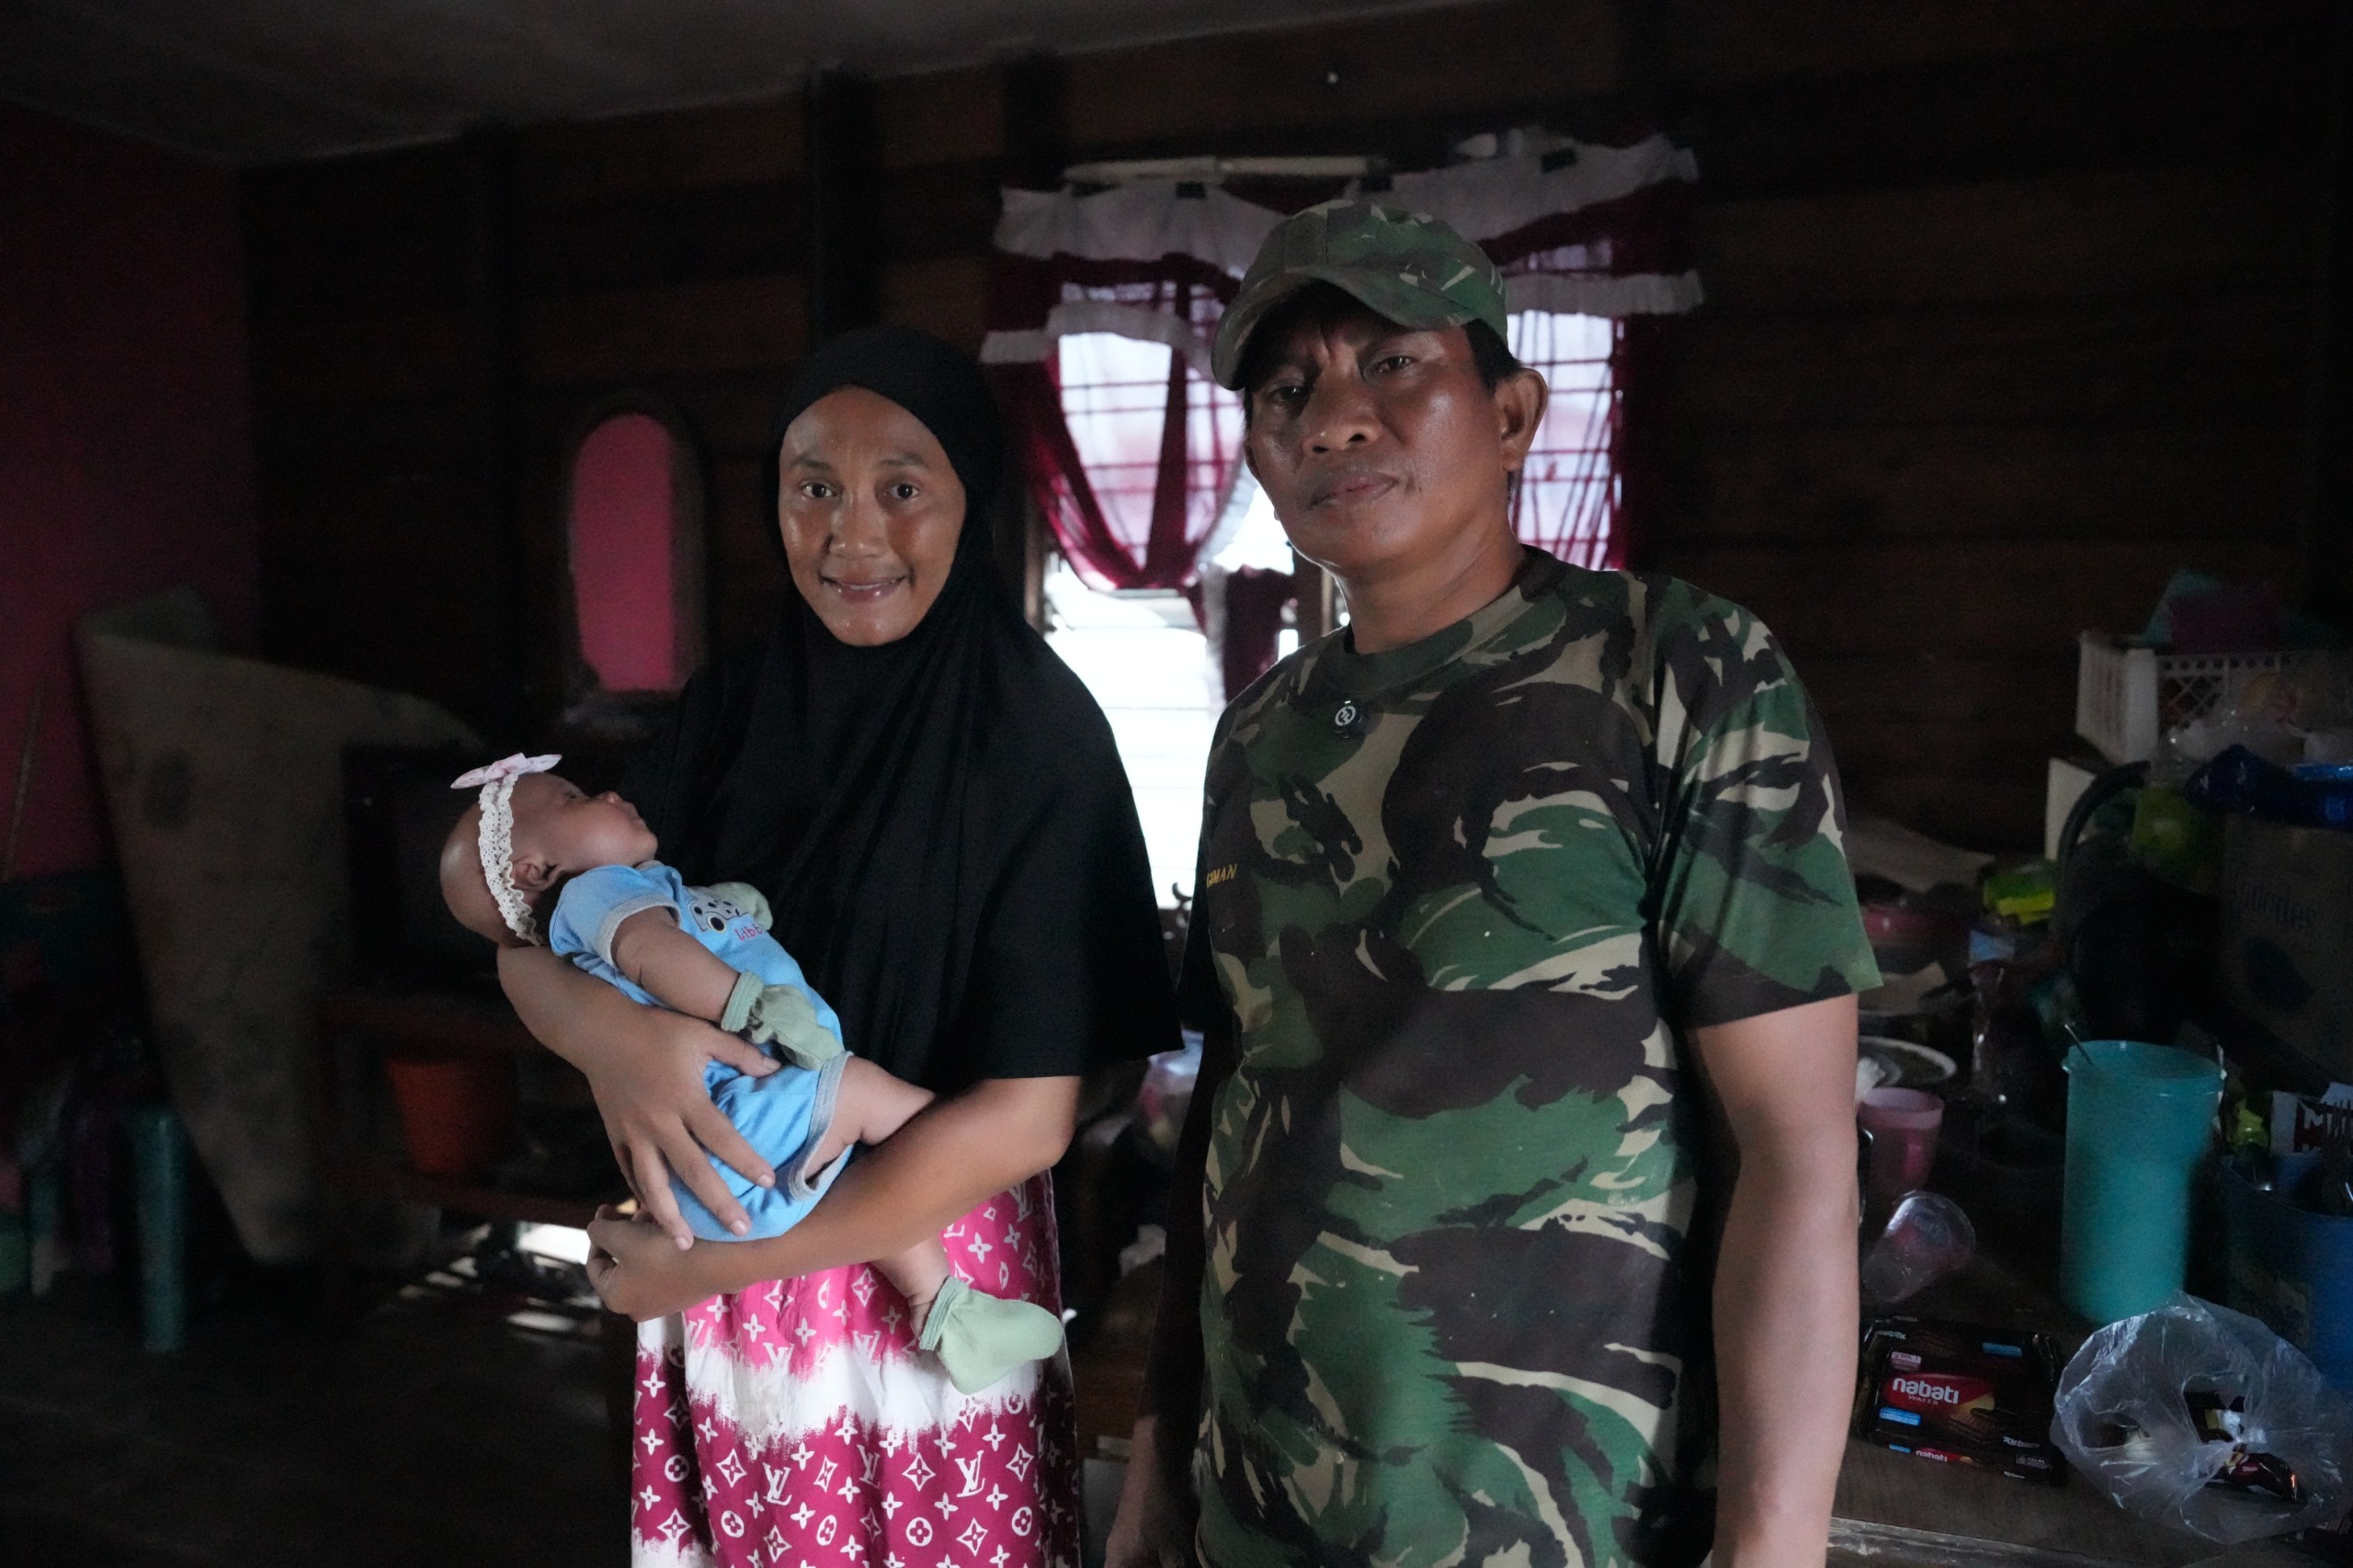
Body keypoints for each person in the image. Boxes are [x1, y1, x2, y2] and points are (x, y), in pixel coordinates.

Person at [1109, 203, 1880, 1568]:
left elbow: (1798, 1149)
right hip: (1261, 1503)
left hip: (1551, 1520)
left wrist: (1771, 1546)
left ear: (1513, 413)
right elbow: (1231, 1108)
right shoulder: (1261, 731)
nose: (1334, 418)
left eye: (1391, 364)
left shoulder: (1677, 671)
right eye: (1288, 389)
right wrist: (1163, 1455)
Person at [496, 326, 1180, 1566]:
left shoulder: (1041, 744)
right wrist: (619, 1041)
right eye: (814, 486)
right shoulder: (734, 707)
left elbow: (1028, 1121)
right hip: (717, 1267)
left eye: (901, 489)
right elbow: (532, 933)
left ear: (972, 505)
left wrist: (723, 1264)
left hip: (927, 1285)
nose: (850, 535)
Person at [437, 753, 1066, 1393]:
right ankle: (966, 1168)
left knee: (864, 1162)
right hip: (742, 1123)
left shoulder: (631, 895)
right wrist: (748, 1004)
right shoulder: (594, 892)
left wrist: (732, 909)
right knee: (863, 1093)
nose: (606, 792)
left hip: (722, 1174)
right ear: (537, 870)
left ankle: (947, 1313)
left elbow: (682, 928)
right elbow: (653, 954)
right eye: (573, 799)